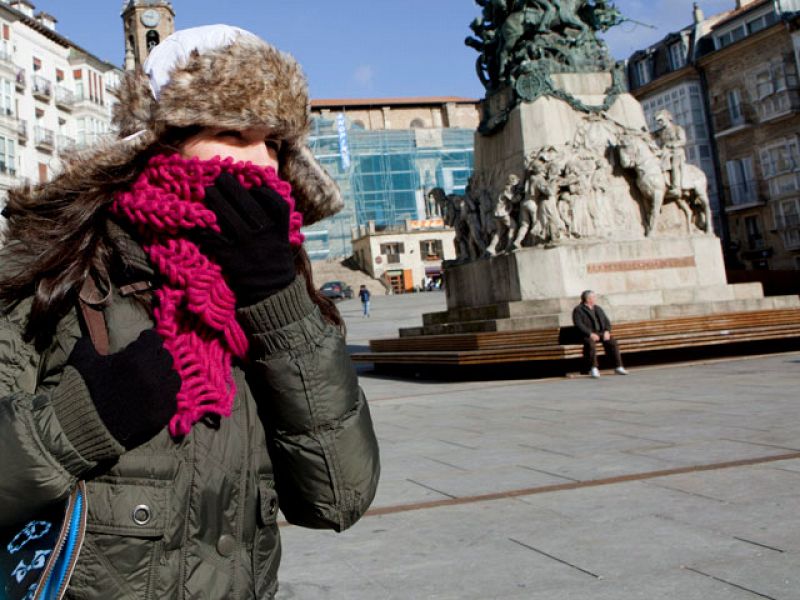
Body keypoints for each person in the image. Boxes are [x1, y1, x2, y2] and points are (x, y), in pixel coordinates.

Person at [0, 25, 380, 599]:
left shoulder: (284, 286)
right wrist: (80, 424)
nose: (261, 163)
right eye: (232, 131)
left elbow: (339, 495)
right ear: (161, 143)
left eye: (274, 142)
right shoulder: (57, 271)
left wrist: (278, 305)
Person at [572, 290, 628, 378]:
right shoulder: (578, 310)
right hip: (587, 334)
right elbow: (578, 324)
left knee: (612, 342)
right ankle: (593, 368)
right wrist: (590, 334)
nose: (595, 298)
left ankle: (618, 366)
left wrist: (607, 331)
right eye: (593, 297)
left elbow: (607, 321)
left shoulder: (597, 308)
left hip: (601, 332)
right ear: (588, 299)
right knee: (590, 344)